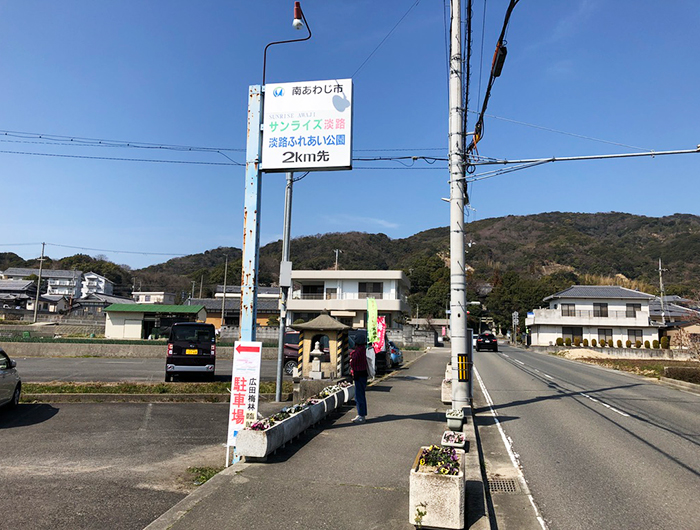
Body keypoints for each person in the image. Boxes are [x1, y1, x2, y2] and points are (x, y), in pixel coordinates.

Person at [349, 336, 369, 424]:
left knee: (359, 396)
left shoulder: (359, 351)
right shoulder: (364, 350)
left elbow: (353, 362)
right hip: (363, 374)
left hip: (359, 374)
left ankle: (361, 415)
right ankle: (362, 414)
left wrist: (350, 359)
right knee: (361, 395)